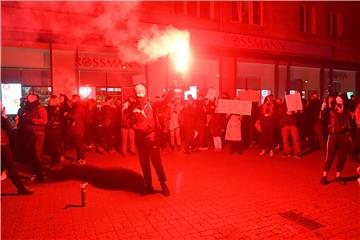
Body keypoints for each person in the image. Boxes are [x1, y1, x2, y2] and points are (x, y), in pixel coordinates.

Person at [132, 84, 170, 196]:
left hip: (151, 137)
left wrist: (172, 88)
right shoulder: (134, 105)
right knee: (144, 164)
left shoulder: (151, 102)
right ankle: (149, 186)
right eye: (137, 94)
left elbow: (163, 101)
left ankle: (163, 184)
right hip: (139, 138)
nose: (140, 97)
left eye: (141, 94)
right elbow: (129, 119)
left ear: (145, 94)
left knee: (156, 162)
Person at [1, 101, 33, 195]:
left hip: (3, 143)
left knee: (9, 166)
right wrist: (5, 117)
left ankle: (20, 188)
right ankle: (21, 188)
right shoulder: (1, 118)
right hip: (2, 144)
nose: (2, 106)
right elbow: (10, 128)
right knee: (11, 167)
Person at [320, 95, 353, 185]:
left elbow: (350, 125)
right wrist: (323, 109)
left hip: (344, 137)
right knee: (330, 157)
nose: (338, 100)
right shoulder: (331, 111)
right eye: (337, 99)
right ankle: (324, 176)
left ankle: (338, 176)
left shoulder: (347, 112)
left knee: (342, 158)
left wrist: (350, 136)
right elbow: (324, 118)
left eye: (340, 99)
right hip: (333, 136)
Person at [45, 95, 63, 167]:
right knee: (55, 145)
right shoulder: (61, 108)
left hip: (51, 129)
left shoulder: (48, 109)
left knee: (52, 146)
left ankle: (55, 161)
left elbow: (49, 119)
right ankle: (56, 160)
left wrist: (47, 124)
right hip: (59, 129)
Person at [68, 94, 86, 165]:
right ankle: (79, 158)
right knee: (77, 144)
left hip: (78, 128)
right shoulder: (76, 106)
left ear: (76, 99)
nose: (71, 100)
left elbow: (75, 117)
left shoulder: (79, 107)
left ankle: (82, 159)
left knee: (79, 144)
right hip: (77, 128)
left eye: (72, 98)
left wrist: (67, 114)